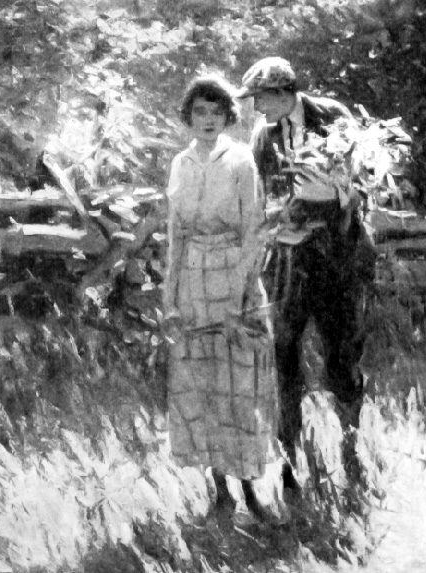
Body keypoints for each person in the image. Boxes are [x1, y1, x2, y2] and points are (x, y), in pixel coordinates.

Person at [235, 57, 377, 497]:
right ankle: (291, 461)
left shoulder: (331, 116)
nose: (257, 109)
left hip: (340, 257)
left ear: (282, 92)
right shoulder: (264, 137)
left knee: (341, 357)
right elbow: (268, 195)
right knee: (284, 355)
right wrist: (279, 224)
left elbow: (362, 181)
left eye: (260, 99)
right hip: (291, 263)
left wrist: (334, 197)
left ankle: (353, 455)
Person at [163, 74, 277, 523]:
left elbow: (254, 231)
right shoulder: (181, 164)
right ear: (188, 118)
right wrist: (170, 302)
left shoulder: (241, 160)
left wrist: (239, 295)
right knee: (201, 390)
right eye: (199, 113)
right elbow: (176, 235)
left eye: (216, 113)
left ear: (228, 117)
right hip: (193, 283)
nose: (208, 121)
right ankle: (221, 493)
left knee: (239, 390)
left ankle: (253, 493)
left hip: (236, 278)